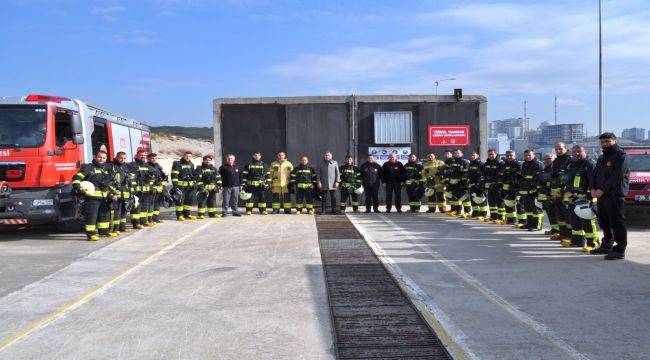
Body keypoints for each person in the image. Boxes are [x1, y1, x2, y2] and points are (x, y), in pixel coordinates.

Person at [590, 133, 630, 260]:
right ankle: (607, 245)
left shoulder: (621, 156)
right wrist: (592, 188)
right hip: (601, 195)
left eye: (607, 141)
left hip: (614, 194)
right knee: (604, 221)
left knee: (617, 222)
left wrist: (602, 189)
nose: (605, 144)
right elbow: (595, 174)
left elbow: (617, 176)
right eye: (602, 142)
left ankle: (619, 249)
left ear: (615, 140)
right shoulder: (602, 157)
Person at [71, 151, 117, 241]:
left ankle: (104, 232)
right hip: (92, 198)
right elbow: (77, 177)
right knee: (92, 216)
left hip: (105, 197)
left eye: (103, 158)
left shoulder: (108, 169)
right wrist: (77, 187)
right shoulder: (89, 167)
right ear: (95, 157)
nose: (101, 159)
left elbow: (111, 183)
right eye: (100, 157)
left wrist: (113, 194)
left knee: (104, 215)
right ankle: (91, 234)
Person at [563, 145, 599, 251]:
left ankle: (593, 243)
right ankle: (577, 242)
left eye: (579, 151)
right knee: (575, 222)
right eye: (574, 151)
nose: (577, 153)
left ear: (585, 151)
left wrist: (589, 196)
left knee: (587, 221)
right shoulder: (570, 164)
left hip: (586, 198)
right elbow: (567, 181)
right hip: (573, 198)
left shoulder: (589, 164)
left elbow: (594, 181)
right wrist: (567, 195)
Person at [549, 142, 572, 240]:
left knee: (567, 214)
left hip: (565, 192)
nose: (558, 151)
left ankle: (570, 235)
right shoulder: (556, 161)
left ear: (566, 149)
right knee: (559, 215)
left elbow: (568, 177)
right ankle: (562, 234)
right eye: (556, 149)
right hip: (556, 193)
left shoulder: (569, 160)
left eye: (560, 149)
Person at [128, 149, 154, 228]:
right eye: (141, 155)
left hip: (146, 191)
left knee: (144, 207)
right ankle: (136, 223)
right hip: (137, 191)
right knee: (136, 208)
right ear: (137, 156)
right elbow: (131, 179)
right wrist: (133, 190)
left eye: (144, 155)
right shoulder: (132, 165)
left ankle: (143, 222)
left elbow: (151, 179)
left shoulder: (147, 166)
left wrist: (151, 187)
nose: (143, 156)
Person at [519, 150, 544, 231]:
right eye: (526, 155)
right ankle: (529, 223)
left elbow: (541, 178)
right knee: (528, 209)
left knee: (536, 209)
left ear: (533, 155)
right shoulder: (524, 164)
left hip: (534, 191)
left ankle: (537, 226)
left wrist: (536, 188)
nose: (527, 157)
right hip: (526, 191)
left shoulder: (538, 164)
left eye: (529, 155)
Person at [110, 151, 132, 234]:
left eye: (124, 158)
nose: (123, 160)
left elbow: (129, 180)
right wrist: (112, 193)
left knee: (124, 212)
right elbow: (110, 181)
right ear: (116, 157)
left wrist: (131, 192)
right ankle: (115, 229)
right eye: (121, 158)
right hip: (116, 194)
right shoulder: (112, 166)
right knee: (116, 212)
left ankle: (122, 228)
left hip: (125, 193)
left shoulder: (125, 166)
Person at [171, 151, 197, 221]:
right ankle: (179, 215)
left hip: (190, 187)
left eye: (189, 156)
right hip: (181, 186)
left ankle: (187, 214)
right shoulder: (178, 164)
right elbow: (174, 175)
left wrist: (194, 182)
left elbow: (193, 175)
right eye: (186, 156)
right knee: (180, 201)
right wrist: (175, 186)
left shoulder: (191, 164)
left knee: (188, 201)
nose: (188, 157)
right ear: (183, 155)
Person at [499, 150, 521, 225]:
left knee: (519, 206)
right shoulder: (504, 165)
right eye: (507, 155)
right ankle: (511, 220)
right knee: (508, 204)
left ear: (515, 156)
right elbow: (502, 177)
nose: (509, 157)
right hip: (507, 189)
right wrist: (502, 189)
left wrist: (517, 188)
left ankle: (522, 222)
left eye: (511, 155)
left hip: (516, 188)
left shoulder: (518, 164)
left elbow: (520, 177)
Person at [446, 149, 470, 218]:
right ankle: (457, 211)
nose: (457, 154)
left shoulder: (465, 162)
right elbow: (450, 172)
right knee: (455, 197)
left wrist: (463, 181)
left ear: (461, 154)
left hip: (462, 184)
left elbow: (466, 173)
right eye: (455, 153)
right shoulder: (452, 162)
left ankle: (467, 212)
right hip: (453, 183)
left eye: (458, 153)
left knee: (465, 198)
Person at [539, 153, 558, 235]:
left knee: (556, 214)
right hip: (545, 196)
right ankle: (554, 229)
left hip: (553, 196)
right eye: (545, 159)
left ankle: (559, 231)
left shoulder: (555, 169)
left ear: (554, 159)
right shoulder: (544, 169)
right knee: (550, 214)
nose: (547, 160)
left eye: (549, 158)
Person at [483, 149, 503, 223]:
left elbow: (500, 175)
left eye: (492, 154)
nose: (490, 156)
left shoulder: (500, 163)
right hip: (489, 186)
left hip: (497, 186)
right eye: (489, 154)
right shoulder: (487, 163)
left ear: (496, 154)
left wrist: (495, 182)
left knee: (499, 202)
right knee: (491, 202)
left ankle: (501, 218)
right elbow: (484, 174)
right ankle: (493, 217)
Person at [147, 153, 167, 223]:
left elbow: (163, 176)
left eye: (155, 158)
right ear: (148, 159)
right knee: (151, 205)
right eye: (152, 158)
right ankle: (149, 219)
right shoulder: (147, 166)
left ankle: (155, 218)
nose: (154, 159)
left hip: (159, 188)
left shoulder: (158, 166)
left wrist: (164, 177)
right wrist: (151, 188)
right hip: (152, 189)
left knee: (157, 204)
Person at [467, 151, 487, 220]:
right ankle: (475, 212)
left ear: (477, 156)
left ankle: (483, 214)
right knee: (473, 199)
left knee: (481, 199)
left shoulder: (481, 164)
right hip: (472, 184)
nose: (472, 156)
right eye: (471, 155)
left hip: (479, 184)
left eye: (474, 155)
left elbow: (483, 175)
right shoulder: (470, 164)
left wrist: (480, 184)